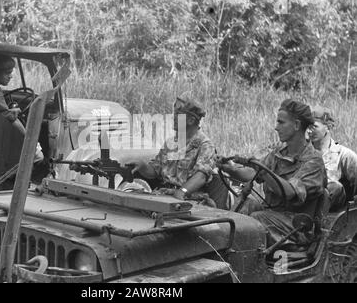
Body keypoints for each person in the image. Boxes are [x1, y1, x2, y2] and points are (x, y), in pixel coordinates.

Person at [217, 99, 327, 248]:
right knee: (246, 206)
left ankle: (245, 261)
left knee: (257, 219)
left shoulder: (313, 161)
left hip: (297, 226)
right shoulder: (279, 153)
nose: (276, 128)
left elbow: (289, 192)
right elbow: (253, 173)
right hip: (273, 215)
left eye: (281, 123)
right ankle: (224, 247)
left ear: (296, 125)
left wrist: (264, 172)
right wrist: (230, 169)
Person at [131, 93, 218, 206]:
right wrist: (142, 166)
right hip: (165, 195)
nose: (174, 118)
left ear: (191, 120)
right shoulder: (171, 143)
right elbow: (155, 171)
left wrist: (182, 192)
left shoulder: (204, 145)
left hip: (190, 201)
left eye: (178, 115)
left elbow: (201, 176)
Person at [0, 54, 43, 162]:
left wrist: (10, 111)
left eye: (10, 72)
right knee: (39, 157)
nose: (10, 76)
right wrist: (31, 141)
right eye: (7, 73)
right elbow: (10, 117)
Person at [308, 106, 357, 211]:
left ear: (328, 127)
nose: (309, 131)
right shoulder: (303, 152)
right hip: (304, 201)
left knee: (334, 187)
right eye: (308, 126)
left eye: (314, 126)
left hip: (334, 210)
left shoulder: (344, 155)